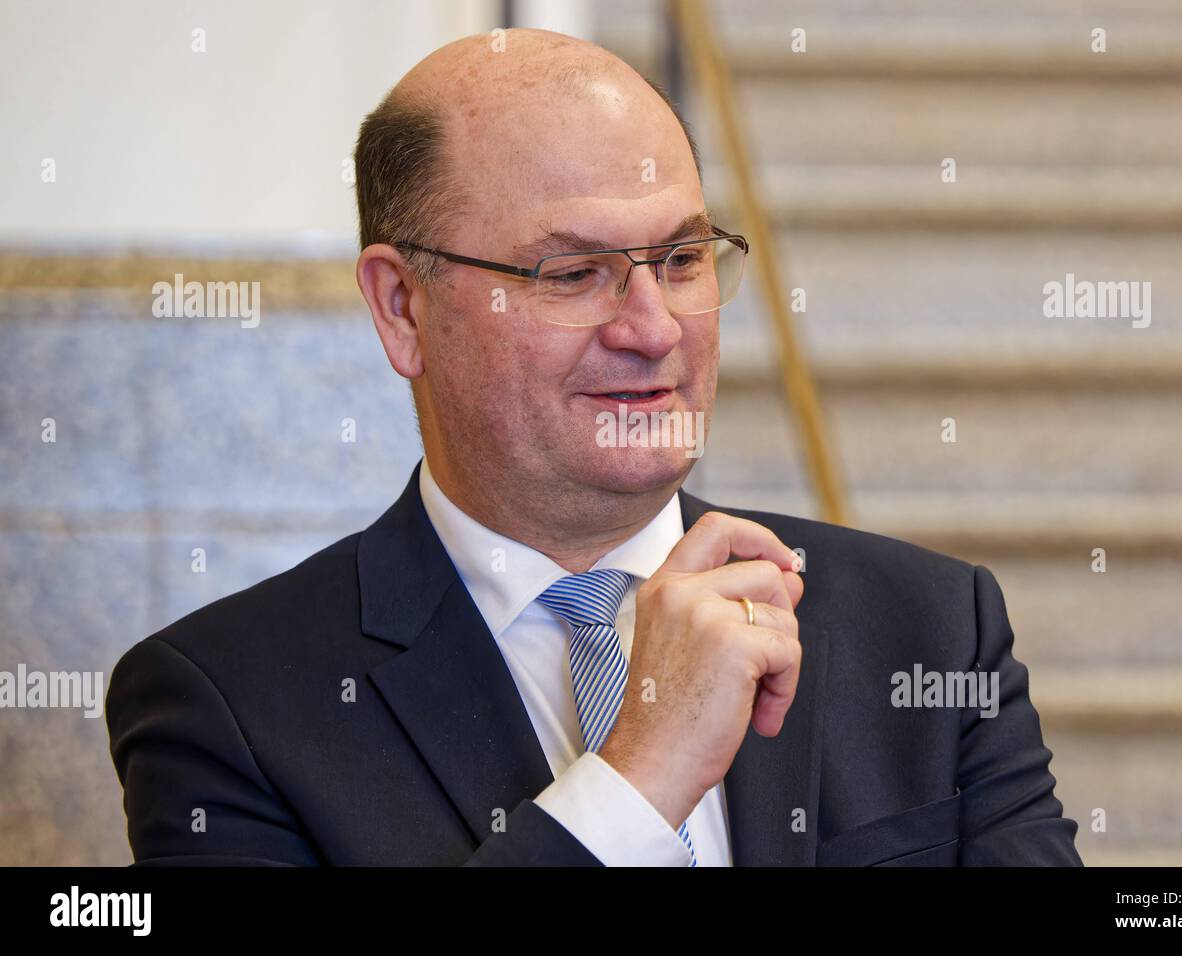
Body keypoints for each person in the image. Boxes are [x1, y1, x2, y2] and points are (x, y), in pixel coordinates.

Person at [106, 27, 1081, 866]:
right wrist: (637, 776)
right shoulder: (227, 706)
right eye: (574, 272)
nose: (653, 327)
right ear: (402, 306)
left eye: (682, 259)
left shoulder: (928, 625)